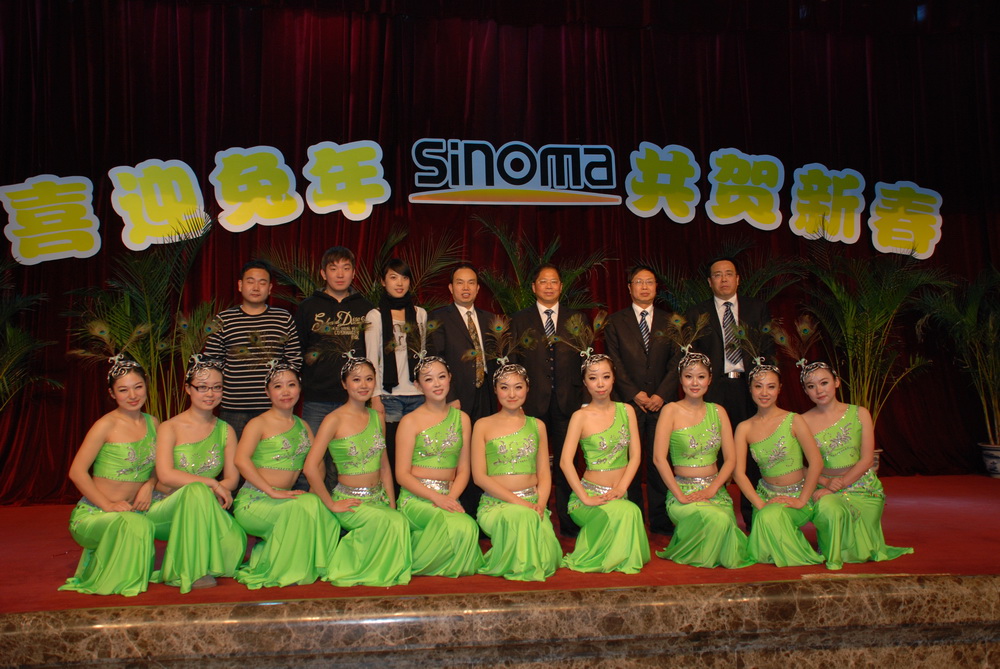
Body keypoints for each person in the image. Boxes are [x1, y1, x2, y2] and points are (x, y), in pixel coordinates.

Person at [232, 362, 352, 588]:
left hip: (286, 499)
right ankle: (288, 568)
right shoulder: (258, 423)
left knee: (320, 508)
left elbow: (317, 464)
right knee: (301, 508)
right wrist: (271, 491)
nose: (286, 392)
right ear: (267, 392)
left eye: (291, 385)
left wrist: (313, 492)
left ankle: (315, 566)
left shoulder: (303, 425)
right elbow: (241, 460)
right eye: (278, 386)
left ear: (300, 388)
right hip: (256, 500)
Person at [303, 354, 411, 587]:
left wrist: (392, 504)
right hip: (349, 501)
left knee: (397, 520)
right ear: (344, 384)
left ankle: (376, 570)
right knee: (389, 522)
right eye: (356, 379)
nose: (363, 385)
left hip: (378, 499)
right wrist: (331, 504)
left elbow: (384, 466)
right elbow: (310, 467)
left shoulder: (377, 417)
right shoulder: (334, 419)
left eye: (369, 379)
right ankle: (348, 566)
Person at [798, 361, 913, 570]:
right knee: (827, 507)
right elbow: (798, 466)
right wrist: (826, 483)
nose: (819, 390)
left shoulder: (860, 413)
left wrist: (840, 484)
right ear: (806, 391)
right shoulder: (801, 422)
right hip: (826, 486)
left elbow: (867, 459)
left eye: (824, 382)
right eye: (811, 386)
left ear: (836, 382)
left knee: (861, 551)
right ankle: (832, 551)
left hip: (862, 486)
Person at [60, 356, 159, 596]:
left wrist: (149, 484)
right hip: (97, 514)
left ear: (146, 387)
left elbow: (160, 465)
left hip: (138, 509)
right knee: (136, 523)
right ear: (112, 394)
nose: (133, 395)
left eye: (138, 387)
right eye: (123, 390)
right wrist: (108, 505)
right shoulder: (105, 425)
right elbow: (76, 472)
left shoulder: (154, 423)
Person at [148, 356, 247, 592]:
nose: (210, 394)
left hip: (206, 505)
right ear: (188, 389)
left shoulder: (226, 430)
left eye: (216, 387)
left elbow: (232, 479)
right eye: (202, 387)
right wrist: (211, 484)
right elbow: (165, 475)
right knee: (195, 491)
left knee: (235, 542)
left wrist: (209, 491)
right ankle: (190, 570)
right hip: (165, 507)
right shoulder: (169, 427)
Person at [687, 257, 771, 528]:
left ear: (737, 279)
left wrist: (765, 385)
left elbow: (769, 350)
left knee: (752, 456)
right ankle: (718, 517)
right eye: (717, 275)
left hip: (749, 389)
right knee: (715, 453)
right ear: (709, 281)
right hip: (714, 390)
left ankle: (754, 517)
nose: (723, 279)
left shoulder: (757, 309)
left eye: (728, 274)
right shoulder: (696, 313)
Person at [652, 349, 752, 569]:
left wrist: (712, 490)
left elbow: (731, 460)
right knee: (718, 520)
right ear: (681, 379)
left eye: (701, 376)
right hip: (682, 492)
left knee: (722, 518)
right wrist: (679, 495)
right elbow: (659, 459)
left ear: (710, 379)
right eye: (688, 376)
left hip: (715, 492)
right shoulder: (670, 410)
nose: (695, 383)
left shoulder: (719, 411)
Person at [604, 264, 680, 535]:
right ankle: (633, 516)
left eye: (650, 282)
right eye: (639, 282)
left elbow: (677, 361)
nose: (645, 287)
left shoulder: (671, 321)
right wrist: (634, 393)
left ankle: (661, 520)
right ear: (629, 288)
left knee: (660, 462)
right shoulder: (615, 321)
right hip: (629, 404)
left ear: (656, 287)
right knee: (630, 463)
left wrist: (661, 394)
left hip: (662, 404)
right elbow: (613, 361)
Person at [510, 264, 584, 537]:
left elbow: (585, 361)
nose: (549, 286)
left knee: (567, 463)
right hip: (532, 404)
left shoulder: (577, 318)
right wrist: (515, 401)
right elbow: (514, 362)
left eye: (554, 281)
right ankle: (532, 517)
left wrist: (585, 400)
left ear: (561, 286)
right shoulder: (519, 319)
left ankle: (568, 520)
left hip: (568, 403)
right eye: (543, 281)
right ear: (534, 287)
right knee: (531, 464)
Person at [471, 362, 562, 581]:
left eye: (518, 387)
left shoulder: (537, 425)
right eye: (504, 387)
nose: (511, 394)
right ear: (495, 390)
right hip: (496, 505)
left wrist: (540, 504)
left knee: (548, 559)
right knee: (522, 520)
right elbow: (479, 477)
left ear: (527, 388)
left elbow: (544, 474)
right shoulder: (482, 425)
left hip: (533, 504)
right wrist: (520, 503)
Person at [560, 354, 651, 574]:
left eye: (606, 376)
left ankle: (615, 557)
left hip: (618, 495)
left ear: (614, 379)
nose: (600, 384)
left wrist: (621, 489)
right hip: (589, 497)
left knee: (628, 510)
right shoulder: (580, 416)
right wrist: (585, 497)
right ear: (585, 382)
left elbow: (635, 456)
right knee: (629, 512)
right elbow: (564, 462)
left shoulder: (627, 411)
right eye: (593, 378)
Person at [395, 356, 483, 577]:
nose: (437, 384)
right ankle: (413, 561)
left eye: (441, 377)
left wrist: (450, 498)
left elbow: (464, 470)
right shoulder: (409, 421)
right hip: (416, 499)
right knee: (458, 526)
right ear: (418, 385)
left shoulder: (462, 419)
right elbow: (402, 475)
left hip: (448, 497)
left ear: (450, 378)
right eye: (428, 379)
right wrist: (437, 498)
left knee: (468, 526)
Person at [295, 246, 373, 492]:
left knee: (347, 464)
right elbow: (298, 349)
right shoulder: (308, 307)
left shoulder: (366, 308)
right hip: (317, 400)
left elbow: (373, 353)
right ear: (323, 273)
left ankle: (342, 509)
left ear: (353, 273)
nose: (340, 274)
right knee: (312, 462)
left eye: (346, 268)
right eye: (333, 268)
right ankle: (310, 509)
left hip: (354, 402)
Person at [733, 361, 825, 567]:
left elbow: (816, 462)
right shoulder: (744, 428)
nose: (764, 393)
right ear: (750, 389)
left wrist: (802, 500)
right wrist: (760, 504)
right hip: (766, 497)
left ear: (779, 389)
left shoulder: (794, 420)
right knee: (768, 518)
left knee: (772, 519)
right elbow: (738, 473)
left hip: (797, 496)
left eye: (771, 386)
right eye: (758, 386)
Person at [426, 262, 497, 519]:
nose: (465, 288)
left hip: (487, 394)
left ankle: (484, 510)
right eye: (460, 282)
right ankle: (462, 511)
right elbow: (436, 358)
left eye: (471, 283)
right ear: (450, 288)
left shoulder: (490, 319)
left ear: (477, 289)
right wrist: (450, 396)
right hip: (457, 397)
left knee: (483, 451)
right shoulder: (438, 317)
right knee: (460, 453)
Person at [203, 259, 302, 439]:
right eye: (251, 281)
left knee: (275, 454)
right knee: (234, 455)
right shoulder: (223, 320)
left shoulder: (283, 318)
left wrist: (281, 391)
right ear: (240, 285)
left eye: (262, 283)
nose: (256, 287)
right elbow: (211, 363)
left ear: (269, 288)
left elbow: (294, 360)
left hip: (274, 407)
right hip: (234, 408)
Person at [365, 258, 427, 477]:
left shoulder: (420, 314)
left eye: (404, 277)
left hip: (417, 395)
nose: (399, 283)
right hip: (389, 396)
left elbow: (423, 354)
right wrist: (374, 396)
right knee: (391, 455)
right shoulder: (375, 316)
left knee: (417, 456)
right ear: (383, 282)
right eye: (393, 277)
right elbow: (371, 359)